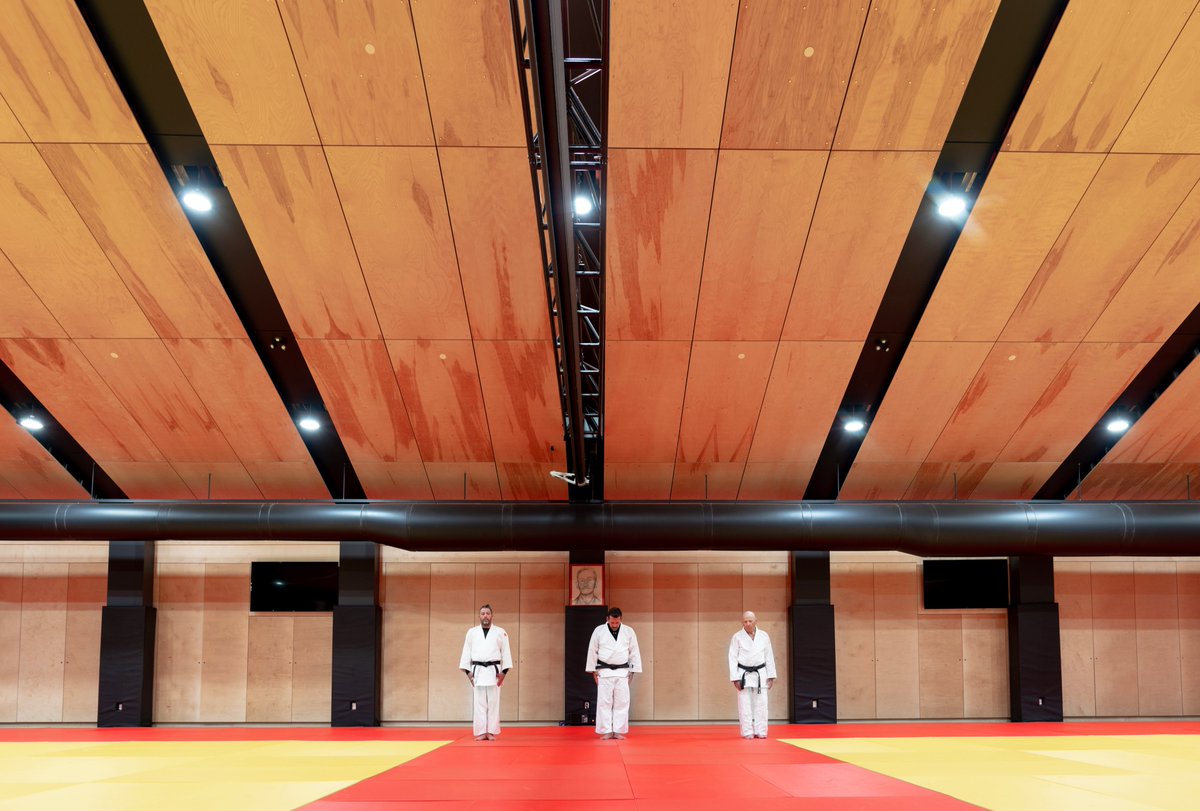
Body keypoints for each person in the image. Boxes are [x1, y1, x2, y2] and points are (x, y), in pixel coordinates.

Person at [585, 606, 641, 739]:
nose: (615, 625)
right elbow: (593, 650)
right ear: (607, 619)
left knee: (622, 702)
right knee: (604, 702)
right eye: (612, 622)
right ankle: (606, 731)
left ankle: (618, 730)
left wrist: (633, 671)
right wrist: (593, 670)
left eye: (617, 622)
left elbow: (634, 651)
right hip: (604, 672)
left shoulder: (628, 631)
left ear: (621, 619)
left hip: (623, 671)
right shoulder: (599, 631)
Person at [459, 604, 513, 741]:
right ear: (479, 616)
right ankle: (481, 732)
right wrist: (468, 672)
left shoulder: (501, 632)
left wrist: (504, 673)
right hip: (477, 672)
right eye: (482, 613)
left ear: (492, 616)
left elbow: (506, 652)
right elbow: (466, 653)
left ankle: (491, 731)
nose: (485, 616)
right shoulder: (471, 632)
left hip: (494, 672)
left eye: (488, 613)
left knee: (494, 703)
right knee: (479, 703)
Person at [728, 610, 776, 739]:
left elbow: (769, 656)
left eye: (750, 621)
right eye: (745, 621)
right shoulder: (737, 637)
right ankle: (747, 731)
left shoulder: (764, 636)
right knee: (744, 704)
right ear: (742, 622)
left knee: (762, 704)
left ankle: (761, 731)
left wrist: (771, 676)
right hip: (743, 674)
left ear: (756, 621)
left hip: (761, 673)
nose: (748, 623)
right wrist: (735, 678)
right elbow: (732, 658)